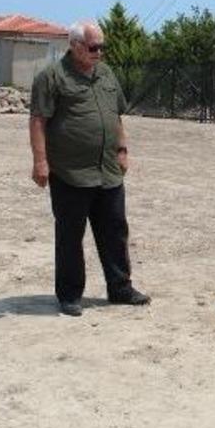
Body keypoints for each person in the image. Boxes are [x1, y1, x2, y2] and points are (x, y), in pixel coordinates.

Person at [29, 20, 150, 316]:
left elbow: (116, 116)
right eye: (94, 47)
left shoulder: (106, 74)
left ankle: (120, 288)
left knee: (115, 230)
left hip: (107, 170)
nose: (99, 53)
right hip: (70, 172)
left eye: (102, 47)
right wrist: (40, 161)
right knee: (70, 235)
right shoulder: (52, 77)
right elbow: (38, 120)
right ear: (75, 45)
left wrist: (122, 149)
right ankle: (70, 295)